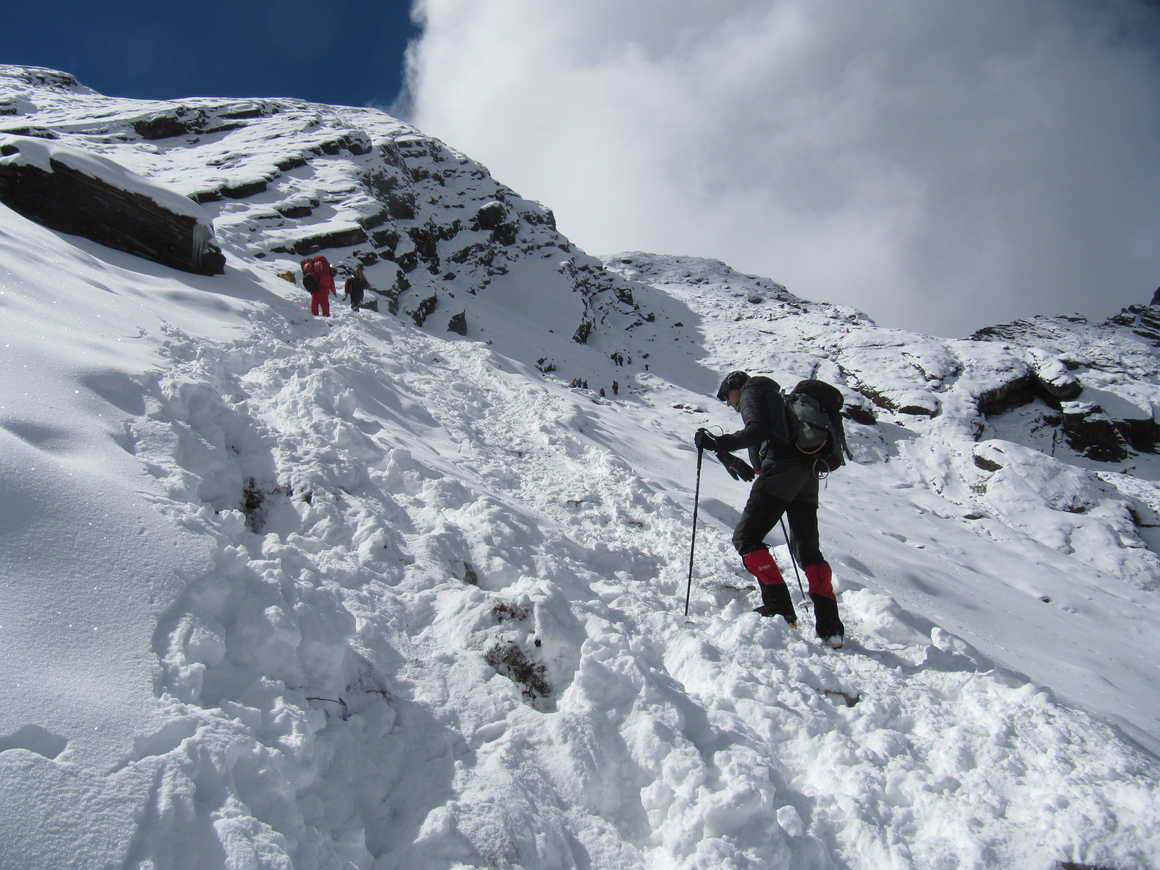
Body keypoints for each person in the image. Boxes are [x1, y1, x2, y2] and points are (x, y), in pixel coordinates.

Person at [694, 370, 845, 647]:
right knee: (808, 552)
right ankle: (831, 627)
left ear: (734, 386)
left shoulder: (754, 390)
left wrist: (719, 442)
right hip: (807, 477)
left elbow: (759, 431)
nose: (730, 404)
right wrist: (731, 458)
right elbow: (773, 438)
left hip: (782, 474)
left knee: (746, 538)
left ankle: (779, 608)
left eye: (727, 397)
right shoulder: (777, 399)